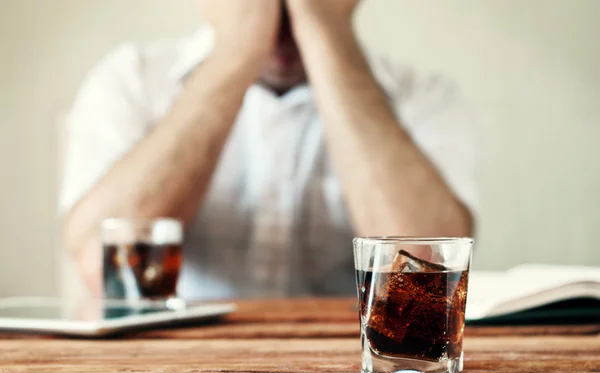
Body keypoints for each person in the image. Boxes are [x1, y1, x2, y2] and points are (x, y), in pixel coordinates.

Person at [61, 0, 476, 299]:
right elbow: (105, 268)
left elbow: (429, 277)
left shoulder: (424, 96)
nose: (281, 16)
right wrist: (236, 52)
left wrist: (324, 34)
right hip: (174, 367)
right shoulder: (132, 79)